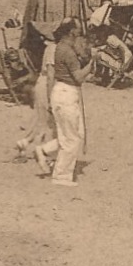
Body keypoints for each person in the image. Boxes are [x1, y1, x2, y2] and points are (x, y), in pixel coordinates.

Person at [47, 19, 89, 186]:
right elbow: (78, 76)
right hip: (67, 94)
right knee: (71, 139)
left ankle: (57, 166)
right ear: (72, 32)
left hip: (60, 91)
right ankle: (61, 176)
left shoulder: (60, 48)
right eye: (78, 28)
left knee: (71, 135)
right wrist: (92, 64)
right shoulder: (68, 52)